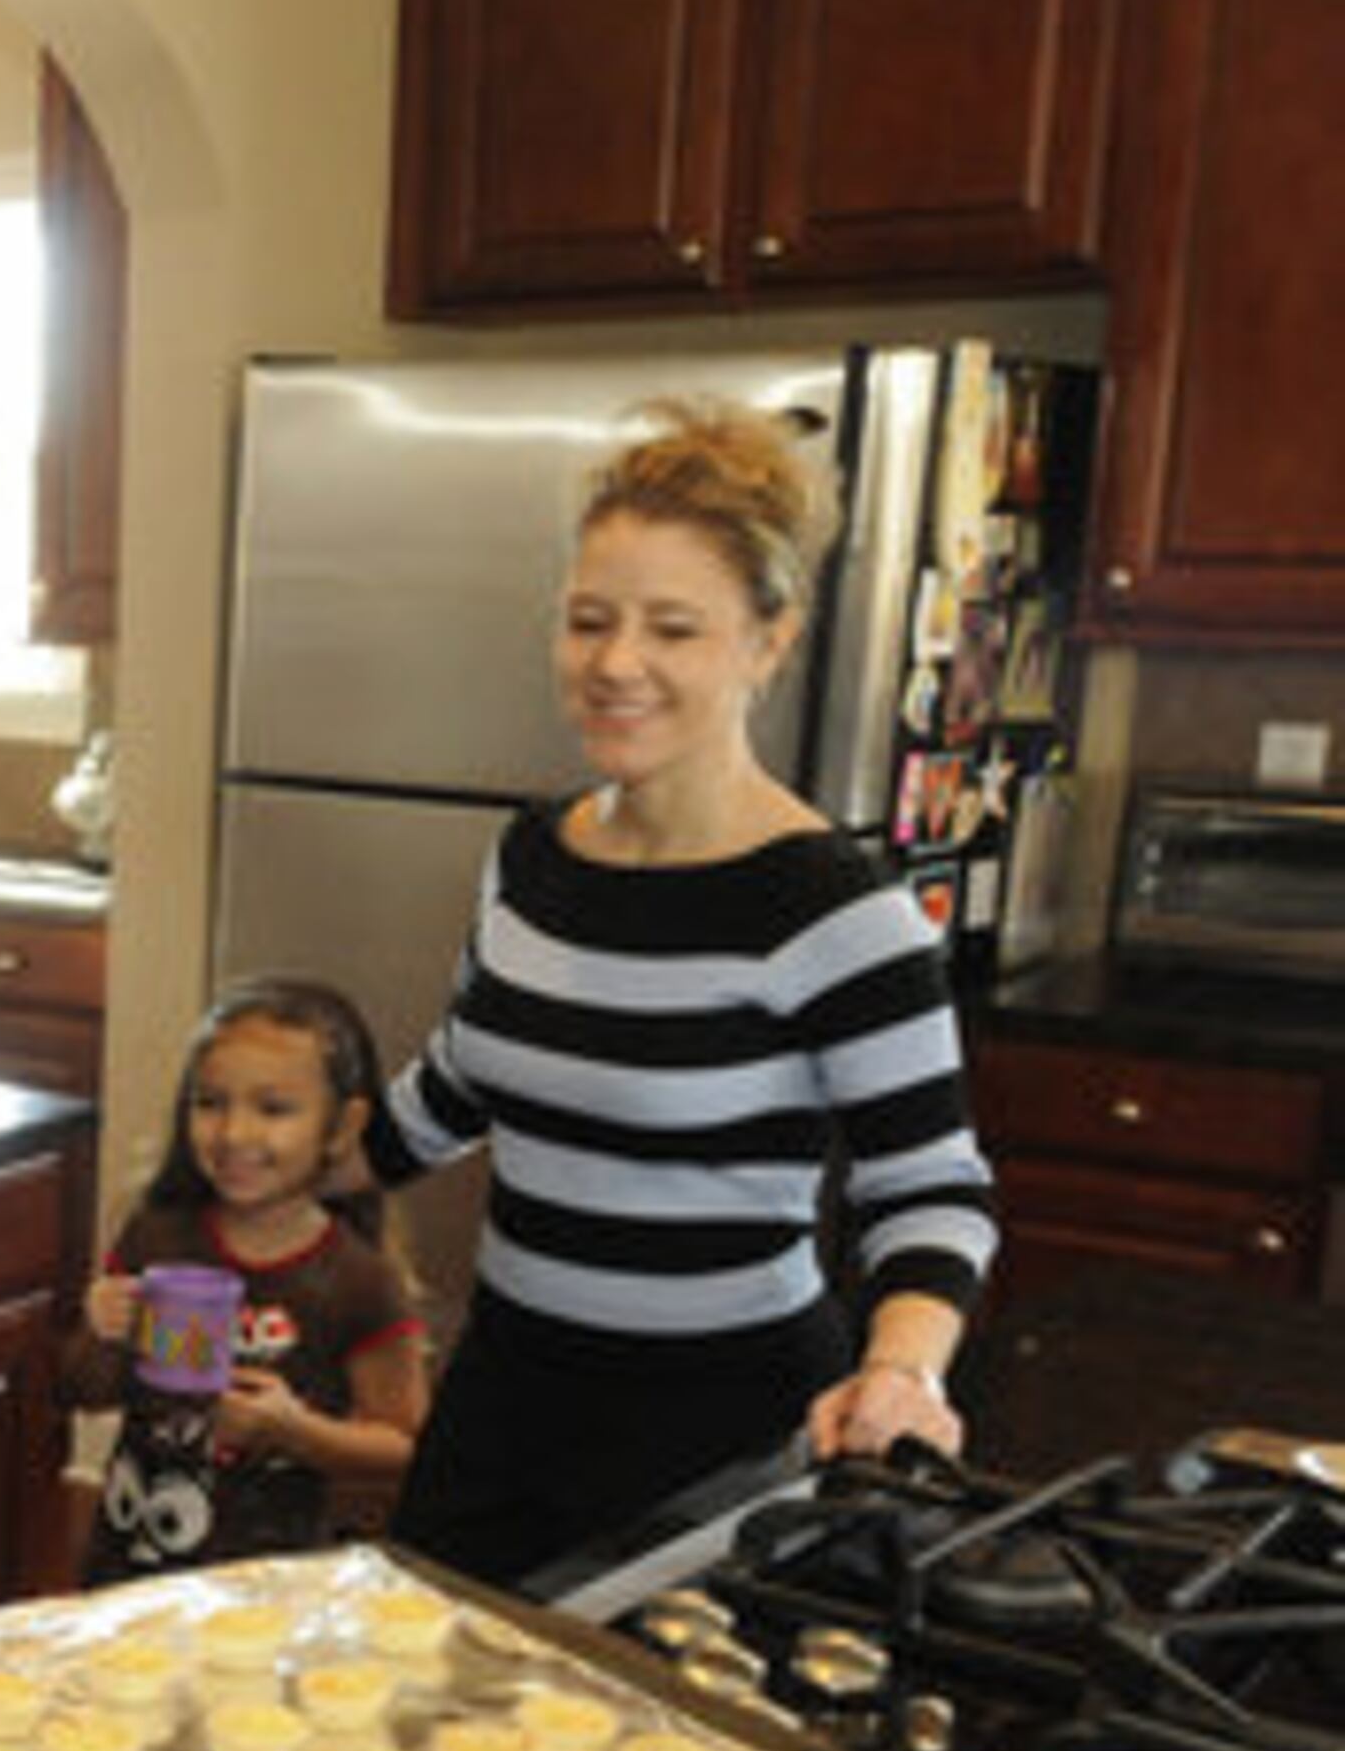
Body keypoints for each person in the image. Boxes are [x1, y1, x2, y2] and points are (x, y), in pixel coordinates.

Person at [364, 396, 998, 1587]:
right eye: (589, 621)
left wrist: (904, 1371)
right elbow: (461, 1080)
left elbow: (931, 1188)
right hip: (503, 1389)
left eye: (674, 629)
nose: (617, 664)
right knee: (439, 1725)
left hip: (722, 1430)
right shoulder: (531, 855)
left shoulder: (838, 912)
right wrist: (261, 1171)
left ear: (769, 641)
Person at [63, 977, 429, 1580]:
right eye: (210, 1103)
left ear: (342, 1127)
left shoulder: (358, 1282)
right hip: (127, 1570)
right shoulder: (157, 1238)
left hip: (271, 1589)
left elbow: (404, 1449)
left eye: (274, 1109)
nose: (234, 1134)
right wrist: (101, 1330)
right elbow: (80, 1389)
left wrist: (294, 1432)